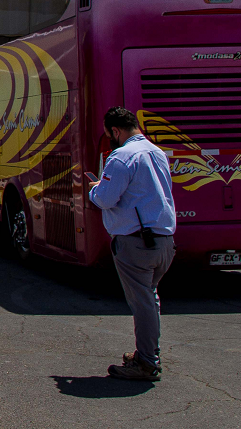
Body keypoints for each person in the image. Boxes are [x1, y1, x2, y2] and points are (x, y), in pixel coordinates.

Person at [88, 106, 176, 382]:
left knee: (143, 303)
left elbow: (105, 199)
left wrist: (94, 188)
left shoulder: (121, 157)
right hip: (163, 241)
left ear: (116, 130)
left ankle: (148, 363)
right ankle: (147, 353)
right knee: (150, 298)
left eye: (109, 134)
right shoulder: (157, 153)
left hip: (136, 243)